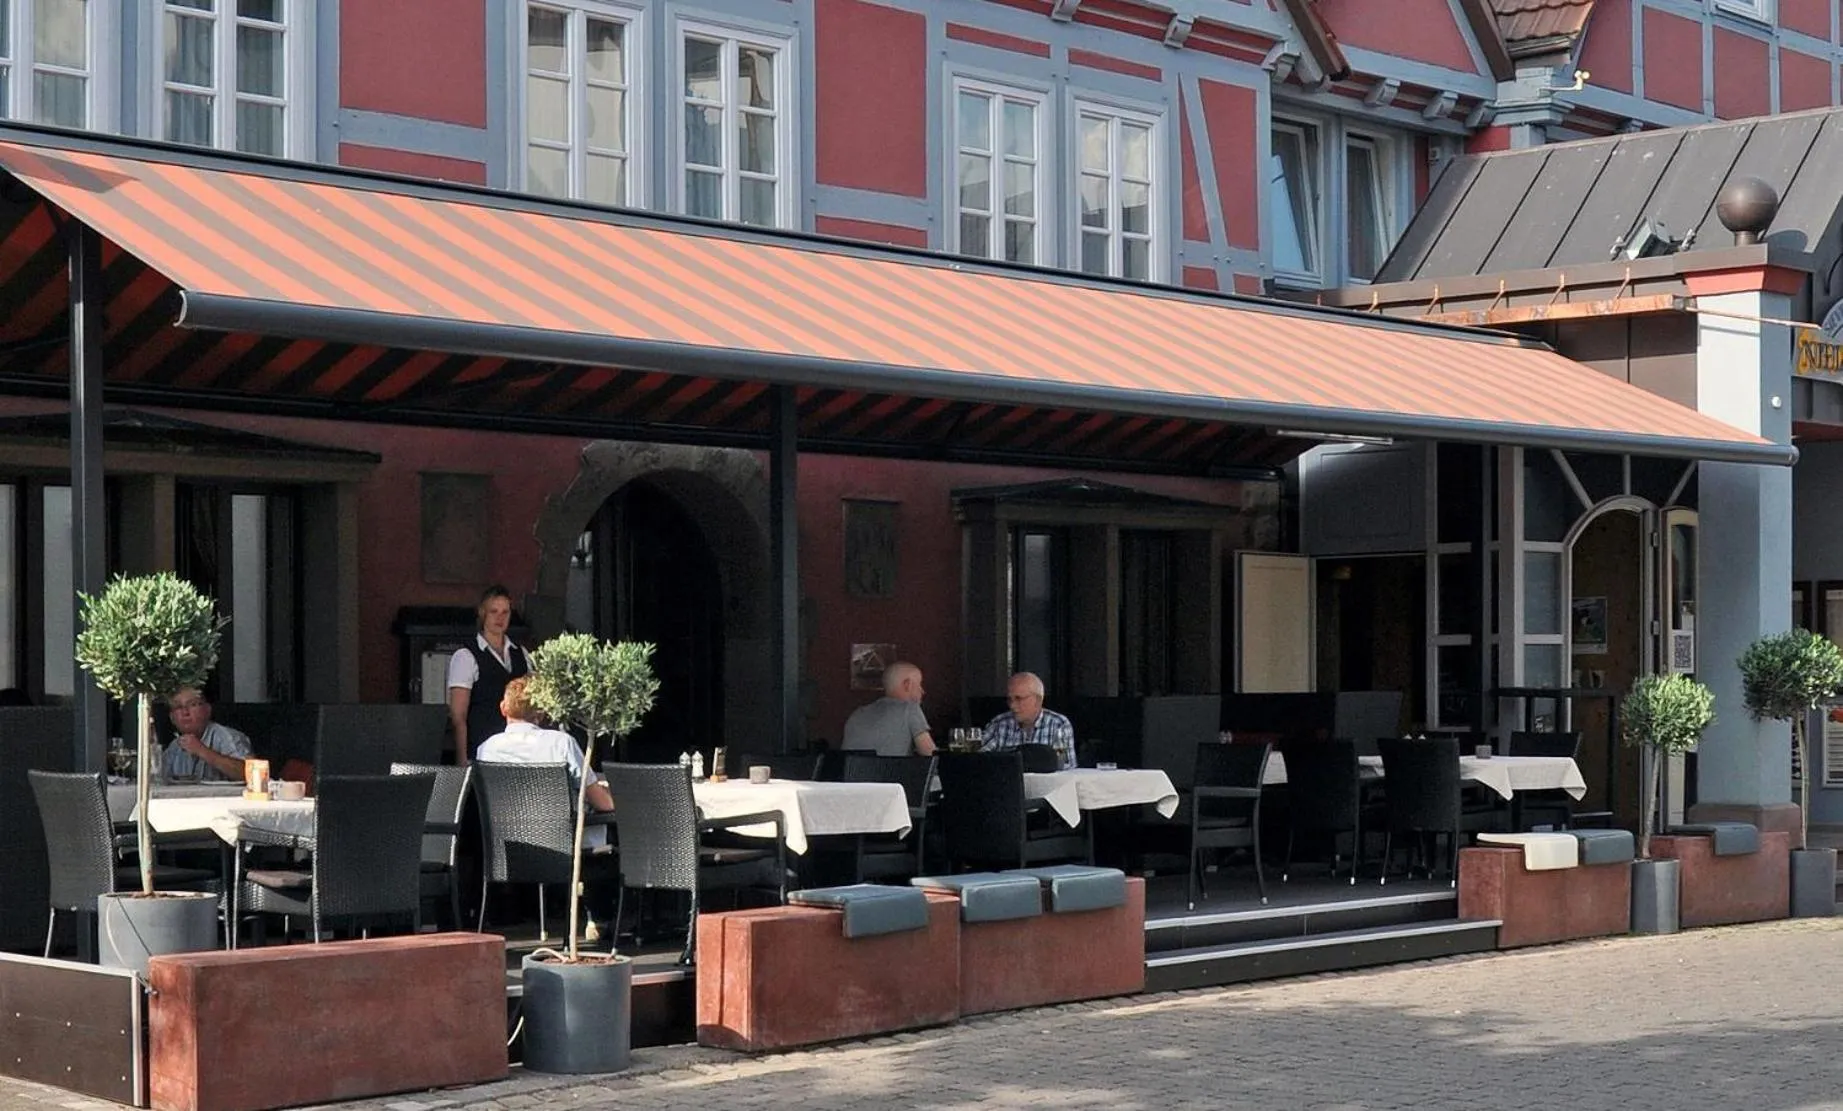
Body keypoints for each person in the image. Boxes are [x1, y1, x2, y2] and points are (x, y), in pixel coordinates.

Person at [476, 677, 616, 936]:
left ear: (503, 708)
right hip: (561, 843)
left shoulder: (486, 749)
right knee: (608, 833)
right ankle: (598, 917)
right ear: (541, 712)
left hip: (507, 846)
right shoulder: (560, 743)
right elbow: (602, 802)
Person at [446, 584, 530, 765]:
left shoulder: (521, 654)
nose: (500, 618)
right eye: (494, 611)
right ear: (483, 612)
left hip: (519, 754)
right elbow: (458, 716)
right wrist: (462, 759)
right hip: (481, 752)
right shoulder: (466, 656)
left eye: (505, 612)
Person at [980, 672, 1077, 770]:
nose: (1012, 705)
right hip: (1009, 784)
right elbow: (978, 760)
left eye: (1018, 698)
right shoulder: (999, 724)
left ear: (1038, 700)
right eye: (1009, 699)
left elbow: (1067, 769)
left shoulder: (1058, 724)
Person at [842, 661, 936, 758]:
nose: (922, 691)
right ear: (907, 685)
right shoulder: (910, 708)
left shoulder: (856, 714)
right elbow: (930, 754)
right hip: (892, 772)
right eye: (919, 685)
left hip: (853, 773)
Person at [162, 687, 253, 782]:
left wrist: (202, 750)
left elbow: (250, 774)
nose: (185, 712)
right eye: (178, 707)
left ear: (207, 710)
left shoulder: (227, 736)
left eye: (192, 705)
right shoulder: (173, 747)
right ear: (172, 718)